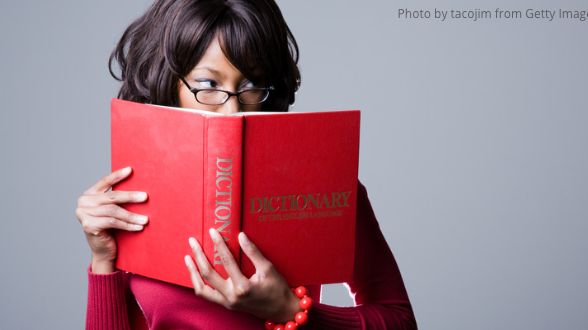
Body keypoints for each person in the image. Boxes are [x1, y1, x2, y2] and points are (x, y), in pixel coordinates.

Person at [75, 0, 417, 329]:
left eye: (251, 85)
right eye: (208, 85)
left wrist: (289, 311)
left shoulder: (324, 183)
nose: (232, 110)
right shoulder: (132, 193)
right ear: (170, 83)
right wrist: (102, 261)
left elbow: (400, 320)